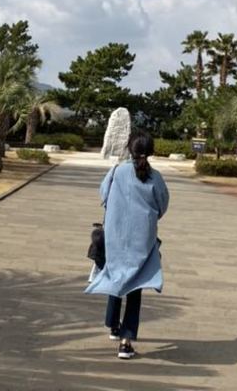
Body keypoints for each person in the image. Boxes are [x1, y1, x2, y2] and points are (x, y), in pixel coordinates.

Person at [85, 133, 170, 360]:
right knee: (135, 285)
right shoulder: (155, 177)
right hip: (142, 236)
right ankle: (126, 340)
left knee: (115, 275)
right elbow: (162, 205)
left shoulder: (117, 171)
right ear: (150, 151)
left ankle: (113, 325)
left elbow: (103, 195)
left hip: (115, 233)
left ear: (129, 149)